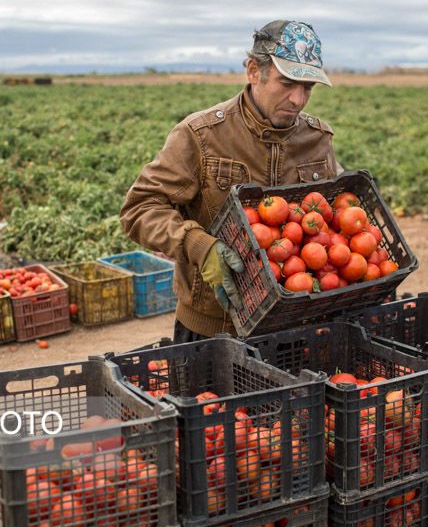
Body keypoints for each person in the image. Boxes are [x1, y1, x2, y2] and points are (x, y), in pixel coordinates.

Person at [120, 20, 340, 341]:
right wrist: (199, 246)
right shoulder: (202, 135)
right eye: (287, 83)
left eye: (307, 87)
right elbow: (139, 209)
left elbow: (333, 223)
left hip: (297, 322)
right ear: (254, 71)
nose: (298, 99)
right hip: (214, 326)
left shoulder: (317, 139)